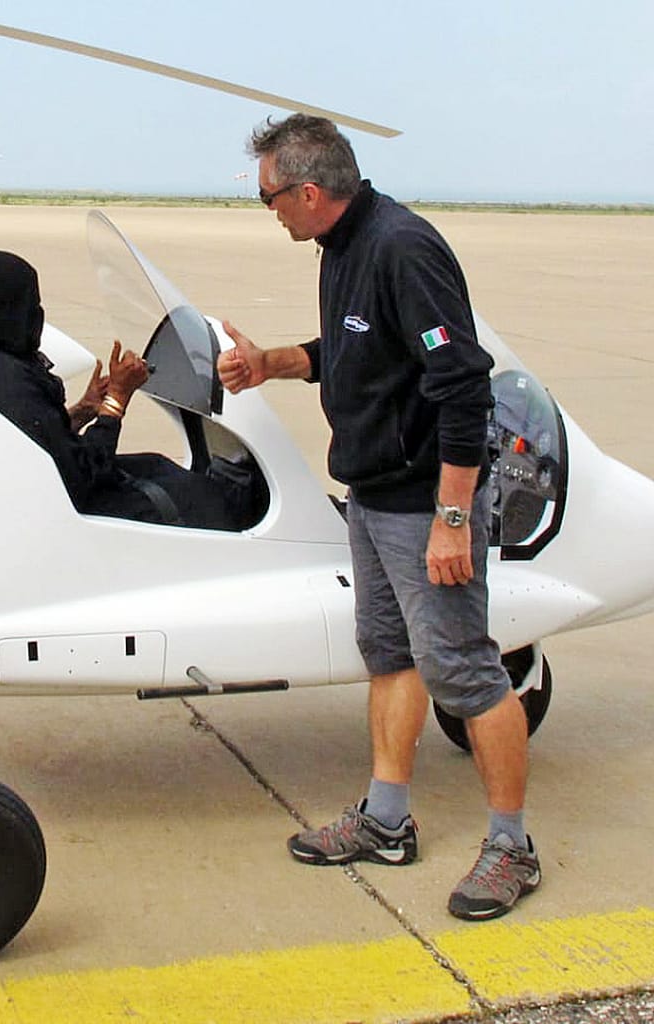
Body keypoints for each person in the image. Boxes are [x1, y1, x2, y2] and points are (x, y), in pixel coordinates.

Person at [217, 113, 538, 920]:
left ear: (309, 191)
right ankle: (387, 822)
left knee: (464, 671)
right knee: (391, 657)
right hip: (371, 495)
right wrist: (272, 363)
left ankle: (512, 848)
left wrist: (453, 517)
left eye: (268, 196)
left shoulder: (402, 247)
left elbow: (462, 384)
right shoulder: (342, 247)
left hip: (426, 503)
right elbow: (357, 349)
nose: (268, 210)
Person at [0, 250, 261, 531]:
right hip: (64, 504)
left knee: (154, 463)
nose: (36, 316)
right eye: (30, 306)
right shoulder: (9, 381)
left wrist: (85, 409)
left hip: (34, 486)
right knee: (196, 498)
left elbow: (35, 440)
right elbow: (84, 476)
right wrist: (116, 400)